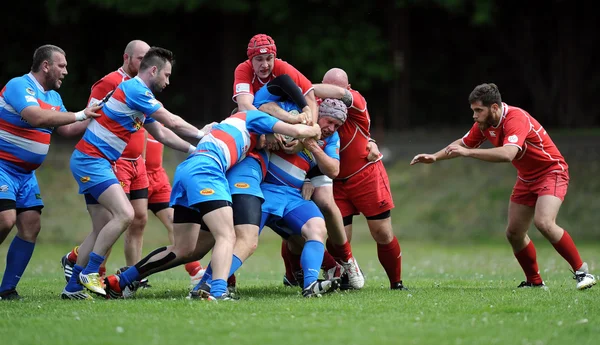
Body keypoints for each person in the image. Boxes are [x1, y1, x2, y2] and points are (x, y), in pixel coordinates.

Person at [103, 108, 321, 300]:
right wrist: (314, 128)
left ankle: (121, 280)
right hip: (206, 172)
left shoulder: (236, 134)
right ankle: (217, 292)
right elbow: (300, 132)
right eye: (274, 131)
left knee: (186, 249)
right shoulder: (253, 118)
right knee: (227, 236)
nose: (277, 138)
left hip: (188, 170)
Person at [410, 82, 596, 290]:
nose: (475, 115)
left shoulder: (516, 119)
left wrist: (469, 154)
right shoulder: (485, 124)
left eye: (478, 110)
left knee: (544, 222)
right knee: (514, 233)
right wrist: (434, 157)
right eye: (473, 110)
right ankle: (534, 282)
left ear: (495, 108)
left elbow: (508, 154)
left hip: (551, 172)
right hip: (527, 177)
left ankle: (583, 273)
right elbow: (462, 144)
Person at [61, 47, 211, 300]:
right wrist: (201, 134)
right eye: (166, 74)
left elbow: (162, 133)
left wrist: (193, 149)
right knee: (125, 214)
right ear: (153, 70)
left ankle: (73, 287)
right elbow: (172, 121)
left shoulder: (137, 97)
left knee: (101, 227)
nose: (168, 81)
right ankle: (89, 272)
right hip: (91, 160)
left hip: (93, 160)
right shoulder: (136, 90)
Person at [234, 34, 364, 289]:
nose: (265, 64)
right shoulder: (253, 78)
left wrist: (310, 132)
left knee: (325, 203)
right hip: (275, 141)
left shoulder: (331, 128)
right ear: (251, 59)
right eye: (259, 59)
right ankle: (289, 273)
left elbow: (311, 97)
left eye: (269, 58)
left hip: (306, 151)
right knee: (282, 230)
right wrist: (281, 128)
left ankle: (346, 261)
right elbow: (248, 108)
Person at [0, 44, 101, 300]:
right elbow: (36, 117)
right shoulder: (18, 85)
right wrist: (79, 114)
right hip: (2, 166)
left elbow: (66, 130)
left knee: (31, 226)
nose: (65, 72)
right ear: (46, 65)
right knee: (6, 220)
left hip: (25, 174)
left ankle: (7, 290)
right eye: (62, 66)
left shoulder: (54, 98)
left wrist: (96, 115)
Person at [60, 39, 151, 281]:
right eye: (141, 58)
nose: (146, 62)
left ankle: (131, 276)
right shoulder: (110, 82)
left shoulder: (143, 86)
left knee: (138, 218)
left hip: (136, 162)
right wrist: (64, 126)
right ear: (127, 57)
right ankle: (91, 272)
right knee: (118, 217)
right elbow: (91, 115)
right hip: (108, 160)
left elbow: (155, 126)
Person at [312, 67, 406, 290]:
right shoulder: (314, 106)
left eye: (337, 89)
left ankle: (396, 283)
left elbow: (338, 95)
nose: (331, 95)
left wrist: (302, 87)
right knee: (339, 237)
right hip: (336, 181)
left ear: (348, 88)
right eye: (328, 89)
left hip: (366, 176)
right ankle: (342, 276)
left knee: (382, 232)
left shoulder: (355, 101)